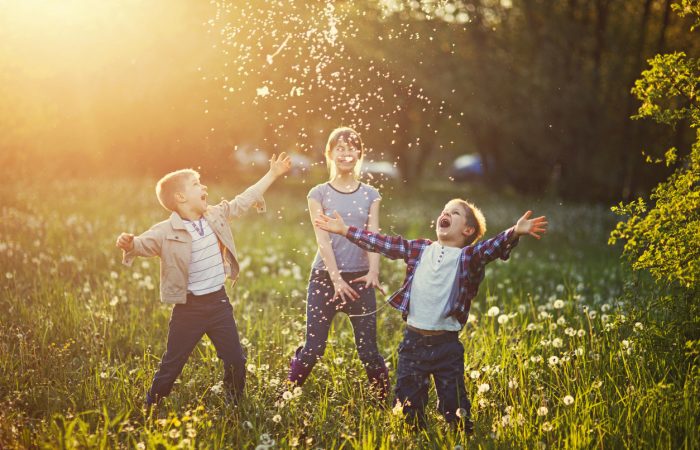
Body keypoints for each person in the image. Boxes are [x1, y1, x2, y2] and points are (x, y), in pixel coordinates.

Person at [314, 199, 547, 430]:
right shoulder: (419, 249)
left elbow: (490, 248)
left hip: (447, 346)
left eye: (454, 213)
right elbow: (384, 244)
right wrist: (345, 230)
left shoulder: (468, 257)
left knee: (455, 407)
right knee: (408, 407)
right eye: (444, 210)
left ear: (468, 230)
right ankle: (415, 435)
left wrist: (515, 232)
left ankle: (461, 436)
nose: (445, 214)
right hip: (413, 343)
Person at [116, 153, 291, 409]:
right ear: (180, 197)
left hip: (218, 303)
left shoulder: (215, 215)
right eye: (197, 184)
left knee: (235, 360)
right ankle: (151, 404)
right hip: (189, 309)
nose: (204, 187)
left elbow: (245, 199)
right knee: (173, 362)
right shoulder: (166, 231)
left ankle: (234, 403)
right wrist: (129, 243)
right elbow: (143, 244)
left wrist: (272, 174)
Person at [287, 127, 390, 400]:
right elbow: (323, 239)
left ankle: (387, 405)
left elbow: (373, 235)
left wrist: (374, 271)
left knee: (368, 351)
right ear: (330, 154)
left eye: (351, 147)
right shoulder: (318, 193)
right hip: (325, 278)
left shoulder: (371, 194)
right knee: (314, 349)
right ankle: (286, 393)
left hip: (360, 279)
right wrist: (336, 279)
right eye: (340, 148)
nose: (346, 153)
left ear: (359, 153)